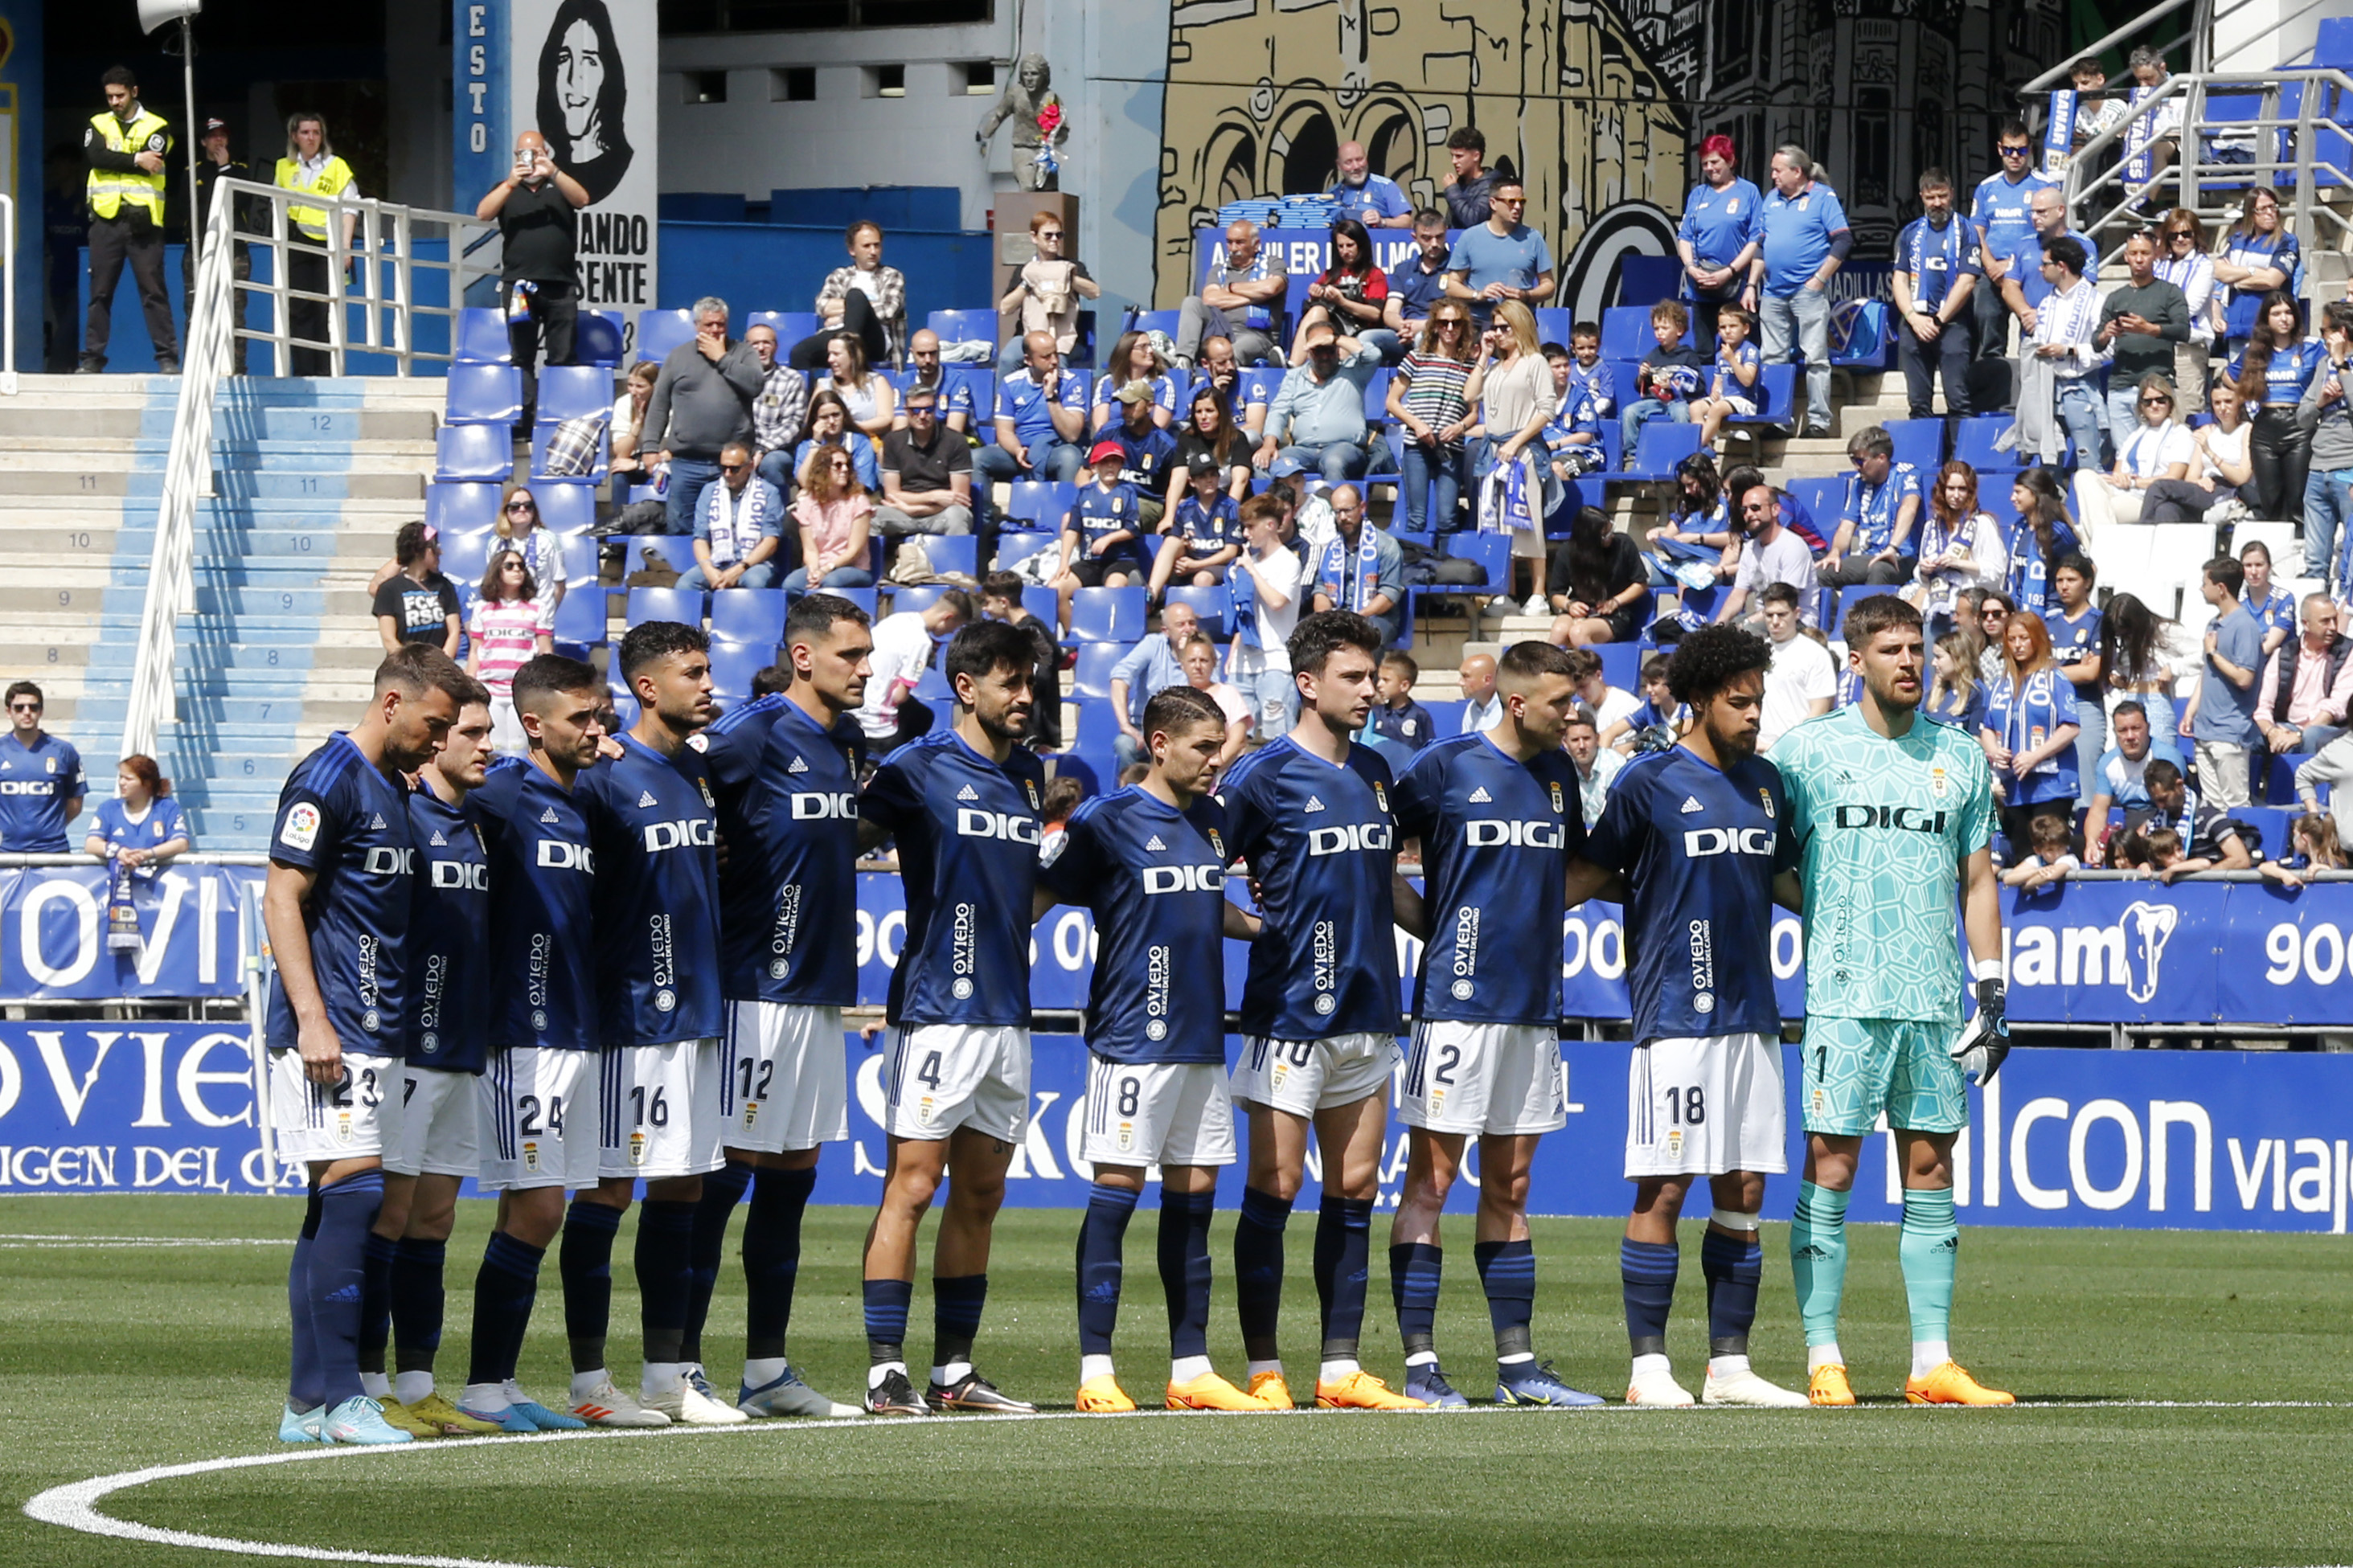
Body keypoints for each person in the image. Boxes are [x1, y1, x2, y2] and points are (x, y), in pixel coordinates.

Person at [1560, 624, 1814, 1407]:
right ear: (1699, 701)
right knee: (1664, 1187)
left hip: (1753, 1016)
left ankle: (1728, 1368)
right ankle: (1646, 1370)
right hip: (1676, 1012)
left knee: (1741, 1186)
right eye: (1739, 702)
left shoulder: (1767, 783)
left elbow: (1783, 884)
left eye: (1758, 701)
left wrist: (1854, 917)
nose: (1752, 715)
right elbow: (1591, 873)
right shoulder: (1648, 782)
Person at [1773, 594, 2011, 1407]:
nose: (1909, 661)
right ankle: (1821, 1354)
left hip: (1931, 997)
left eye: (1916, 648)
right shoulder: (1804, 753)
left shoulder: (1960, 756)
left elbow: (1977, 880)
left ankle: (1930, 1362)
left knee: (1929, 1165)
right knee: (1830, 1163)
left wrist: (1990, 987)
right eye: (1891, 649)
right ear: (1856, 661)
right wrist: (1822, 906)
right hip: (1841, 992)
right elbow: (1766, 862)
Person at [1212, 611, 1425, 1411]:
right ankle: (1264, 1367)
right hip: (1289, 1012)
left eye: (1372, 678)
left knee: (1356, 1187)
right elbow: (1198, 871)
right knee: (1275, 1183)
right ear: (1306, 683)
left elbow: (1388, 883)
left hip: (1371, 1009)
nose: (1369, 690)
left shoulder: (1374, 770)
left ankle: (1339, 1369)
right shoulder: (1261, 776)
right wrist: (1255, 924)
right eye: (1353, 678)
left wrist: (1436, 934)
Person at [1039, 685, 1273, 1413]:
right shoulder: (1106, 820)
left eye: (1219, 745)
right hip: (1130, 1039)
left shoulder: (1213, 820)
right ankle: (1094, 1371)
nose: (1217, 760)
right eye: (1204, 748)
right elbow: (1037, 897)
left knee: (1196, 1198)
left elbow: (1202, 899)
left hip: (1203, 1038)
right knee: (1116, 1193)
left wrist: (1263, 927)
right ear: (1158, 743)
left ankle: (1190, 1368)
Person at [1376, 640, 1597, 1408]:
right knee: (1430, 1182)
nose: (1573, 715)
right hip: (1455, 1012)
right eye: (1560, 702)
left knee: (1512, 1185)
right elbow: (1374, 856)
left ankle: (1518, 1370)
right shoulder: (1442, 767)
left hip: (1534, 1010)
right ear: (1515, 702)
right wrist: (1431, 930)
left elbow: (1571, 870)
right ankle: (1419, 1366)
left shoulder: (1558, 775)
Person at [263, 643, 467, 1445]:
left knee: (337, 1200)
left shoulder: (391, 785)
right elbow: (282, 895)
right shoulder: (327, 777)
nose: (438, 738)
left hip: (377, 1023)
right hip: (333, 1023)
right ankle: (345, 1398)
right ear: (392, 705)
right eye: (433, 723)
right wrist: (312, 1018)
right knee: (353, 1190)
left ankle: (308, 1402)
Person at [855, 620, 1052, 1416]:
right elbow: (842, 838)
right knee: (913, 1182)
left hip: (1009, 1014)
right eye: (1009, 682)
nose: (1024, 696)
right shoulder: (915, 768)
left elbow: (1022, 894)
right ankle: (883, 1372)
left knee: (981, 1193)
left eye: (1029, 682)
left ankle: (953, 1372)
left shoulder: (1032, 777)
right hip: (937, 1007)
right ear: (965, 686)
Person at [687, 593, 874, 1420]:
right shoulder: (754, 731)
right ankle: (678, 1364)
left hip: (820, 993)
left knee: (793, 1180)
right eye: (851, 655)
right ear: (804, 656)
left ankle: (765, 1369)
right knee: (722, 1179)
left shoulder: (842, 741)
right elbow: (663, 775)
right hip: (753, 989)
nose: (865, 668)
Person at [568, 623, 737, 1427]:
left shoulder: (698, 769)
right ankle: (588, 1383)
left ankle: (667, 1377)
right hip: (627, 1019)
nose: (708, 685)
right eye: (692, 672)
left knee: (685, 1186)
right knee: (607, 1189)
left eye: (708, 669)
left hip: (696, 1018)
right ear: (645, 686)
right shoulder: (600, 777)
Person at [452, 654, 607, 1434]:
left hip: (577, 1031)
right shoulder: (505, 792)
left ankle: (503, 1381)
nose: (595, 728)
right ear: (535, 721)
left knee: (544, 1209)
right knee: (536, 1207)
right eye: (580, 717)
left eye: (599, 714)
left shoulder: (579, 803)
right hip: (522, 1032)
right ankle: (482, 1384)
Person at [368, 690, 502, 1439]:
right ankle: (366, 1380)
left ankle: (418, 1383)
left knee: (436, 1217)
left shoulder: (482, 820)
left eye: (487, 732)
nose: (482, 744)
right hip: (410, 1048)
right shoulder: (404, 815)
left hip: (463, 1046)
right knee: (387, 1213)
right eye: (469, 732)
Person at [477, 129, 588, 423]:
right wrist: (512, 182)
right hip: (519, 287)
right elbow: (483, 214)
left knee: (562, 356)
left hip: (560, 286)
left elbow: (582, 199)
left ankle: (558, 415)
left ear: (546, 153)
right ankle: (524, 417)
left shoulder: (559, 185)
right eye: (522, 154)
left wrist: (552, 171)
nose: (528, 159)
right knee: (522, 355)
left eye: (535, 153)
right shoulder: (506, 188)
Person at [81, 67, 178, 375]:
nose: (114, 101)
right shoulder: (98, 123)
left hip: (144, 223)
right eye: (109, 96)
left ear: (134, 92)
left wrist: (126, 159)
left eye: (120, 95)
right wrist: (136, 158)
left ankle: (167, 358)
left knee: (154, 292)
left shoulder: (157, 125)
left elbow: (154, 163)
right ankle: (92, 359)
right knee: (99, 293)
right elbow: (97, 158)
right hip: (106, 219)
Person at [1747, 145, 1850, 438]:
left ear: (1797, 172)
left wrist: (1819, 278)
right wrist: (1752, 284)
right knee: (1773, 357)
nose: (1773, 175)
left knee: (1815, 357)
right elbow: (1762, 246)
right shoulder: (1771, 199)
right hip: (1773, 292)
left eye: (1778, 170)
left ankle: (1819, 422)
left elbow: (1843, 240)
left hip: (1808, 292)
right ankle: (1778, 420)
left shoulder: (1822, 197)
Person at [643, 297, 764, 537]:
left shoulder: (743, 353)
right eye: (709, 325)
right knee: (681, 528)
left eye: (720, 324)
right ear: (697, 326)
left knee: (733, 530)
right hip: (687, 462)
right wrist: (649, 447)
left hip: (731, 464)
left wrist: (722, 358)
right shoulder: (678, 357)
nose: (715, 330)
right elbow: (659, 404)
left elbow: (756, 385)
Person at [1475, 301, 1561, 612]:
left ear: (1519, 326)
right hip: (1496, 450)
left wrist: (1518, 442)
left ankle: (1538, 592)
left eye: (1504, 327)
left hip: (1522, 449)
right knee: (1499, 523)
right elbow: (1469, 395)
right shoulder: (1496, 367)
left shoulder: (1534, 361)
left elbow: (1546, 409)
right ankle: (1506, 592)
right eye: (1494, 327)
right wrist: (1484, 356)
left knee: (1528, 521)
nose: (1497, 334)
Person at [1982, 608, 2081, 858]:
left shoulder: (2056, 679)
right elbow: (1988, 728)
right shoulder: (2000, 684)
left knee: (2049, 854)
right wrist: (1993, 751)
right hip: (2015, 786)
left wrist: (2035, 756)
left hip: (2052, 784)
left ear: (2037, 639)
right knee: (2023, 856)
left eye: (2024, 638)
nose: (2017, 645)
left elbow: (2070, 726)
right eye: (2012, 639)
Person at [1388, 301, 1483, 535]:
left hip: (1451, 446)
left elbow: (1473, 414)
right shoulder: (1417, 358)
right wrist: (1416, 424)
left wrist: (1459, 427)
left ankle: (1444, 568)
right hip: (1417, 444)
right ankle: (1415, 568)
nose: (1450, 328)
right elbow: (1392, 401)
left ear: (1463, 327)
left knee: (1447, 518)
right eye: (1443, 323)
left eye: (1456, 323)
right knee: (1417, 517)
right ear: (1435, 327)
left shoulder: (1470, 366)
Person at [273, 112, 358, 377]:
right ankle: (302, 371)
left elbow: (351, 208)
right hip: (296, 242)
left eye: (316, 133)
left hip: (327, 246)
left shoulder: (336, 165)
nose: (311, 138)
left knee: (324, 308)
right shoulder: (283, 167)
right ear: (294, 136)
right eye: (306, 133)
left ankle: (324, 371)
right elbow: (275, 204)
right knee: (298, 308)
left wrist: (345, 247)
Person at [1892, 168, 1980, 420]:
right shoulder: (1910, 233)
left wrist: (1939, 319)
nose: (1937, 203)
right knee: (1918, 402)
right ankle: (1925, 457)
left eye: (1942, 196)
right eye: (1931, 198)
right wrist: (1912, 317)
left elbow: (1966, 282)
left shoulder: (1966, 230)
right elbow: (1899, 278)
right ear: (1922, 197)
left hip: (1952, 323)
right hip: (1915, 323)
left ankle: (1961, 458)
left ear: (1951, 194)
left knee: (1958, 397)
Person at [977, 333, 1090, 522]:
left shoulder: (1071, 382)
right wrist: (1017, 449)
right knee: (977, 458)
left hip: (1056, 448)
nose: (1054, 361)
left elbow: (1072, 434)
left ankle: (1066, 523)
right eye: (1046, 357)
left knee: (1070, 457)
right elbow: (1004, 431)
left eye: (1055, 354)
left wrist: (1051, 396)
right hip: (1019, 450)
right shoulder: (1011, 384)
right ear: (1028, 360)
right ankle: (987, 522)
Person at [1970, 119, 2056, 366]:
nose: (2015, 156)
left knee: (2033, 330)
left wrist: (2010, 264)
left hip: (2030, 269)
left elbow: (2051, 231)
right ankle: (1992, 387)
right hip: (1992, 271)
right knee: (1986, 320)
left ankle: (2033, 384)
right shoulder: (1987, 187)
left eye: (2021, 150)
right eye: (2009, 150)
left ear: (2030, 150)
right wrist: (1989, 264)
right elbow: (1976, 230)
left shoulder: (2045, 185)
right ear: (2000, 149)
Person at [2229, 290, 2318, 526]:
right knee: (2270, 498)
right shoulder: (2254, 351)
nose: (2284, 318)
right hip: (2265, 426)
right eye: (2276, 313)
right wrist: (2247, 395)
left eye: (2288, 312)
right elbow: (2229, 377)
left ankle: (2301, 546)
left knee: (2297, 496)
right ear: (2266, 319)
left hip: (2299, 424)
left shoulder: (2311, 347)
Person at [2183, 555, 2265, 809]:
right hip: (2205, 730)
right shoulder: (2213, 623)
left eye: (2205, 583)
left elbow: (2244, 678)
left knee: (2236, 806)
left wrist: (2213, 654)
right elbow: (2208, 673)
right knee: (2211, 808)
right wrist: (2190, 711)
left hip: (2230, 734)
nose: (2201, 588)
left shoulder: (2245, 627)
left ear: (2221, 588)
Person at [1257, 325, 1388, 483]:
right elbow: (1278, 412)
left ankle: (1335, 507)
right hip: (1304, 450)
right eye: (1319, 351)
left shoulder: (1354, 371)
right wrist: (1269, 445)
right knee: (1263, 463)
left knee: (1334, 461)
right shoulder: (1294, 378)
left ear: (1338, 349)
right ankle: (1275, 507)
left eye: (1330, 350)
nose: (1325, 356)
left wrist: (1336, 339)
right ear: (1309, 351)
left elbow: (1373, 355)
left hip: (1344, 448)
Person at [2023, 237, 2107, 473]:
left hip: (2081, 389)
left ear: (2061, 266)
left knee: (2088, 461)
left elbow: (2108, 350)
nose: (2041, 269)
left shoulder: (2095, 301)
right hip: (2048, 388)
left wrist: (2069, 350)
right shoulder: (2047, 302)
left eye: (2045, 263)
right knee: (2048, 465)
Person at [2095, 230, 2190, 438]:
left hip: (2158, 385)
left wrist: (2149, 328)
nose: (2139, 259)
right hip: (2121, 386)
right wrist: (2107, 333)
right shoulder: (2115, 298)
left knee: (2162, 448)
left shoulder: (2170, 292)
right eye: (2134, 253)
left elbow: (2183, 331)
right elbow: (2096, 343)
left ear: (2155, 255)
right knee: (2125, 453)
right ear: (2126, 257)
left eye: (2145, 253)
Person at [1225, 495, 1303, 742]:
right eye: (1244, 527)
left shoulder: (1288, 562)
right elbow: (1246, 613)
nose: (1246, 534)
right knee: (1232, 737)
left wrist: (1251, 570)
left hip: (1275, 662)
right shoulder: (1250, 561)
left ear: (1270, 525)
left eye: (1251, 527)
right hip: (1244, 661)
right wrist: (1232, 653)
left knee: (1276, 736)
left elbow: (1277, 602)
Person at [2072, 372, 2192, 532]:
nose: (2154, 406)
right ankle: (2100, 543)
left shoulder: (2181, 433)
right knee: (2084, 475)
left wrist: (2135, 483)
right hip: (2123, 490)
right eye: (2148, 402)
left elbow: (2172, 478)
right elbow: (2118, 473)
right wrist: (2118, 479)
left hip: (2148, 497)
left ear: (2170, 403)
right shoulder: (2135, 436)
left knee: (2097, 512)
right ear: (2141, 406)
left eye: (2161, 400)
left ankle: (2098, 546)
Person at [854, 591, 974, 751]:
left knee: (922, 714)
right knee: (922, 720)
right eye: (955, 627)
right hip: (876, 728)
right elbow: (899, 696)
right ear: (948, 618)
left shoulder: (896, 619)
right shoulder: (921, 642)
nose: (952, 633)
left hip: (854, 708)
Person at [1677, 133, 1765, 352]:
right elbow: (1685, 237)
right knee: (1705, 352)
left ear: (1731, 161)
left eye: (1715, 162)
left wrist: (1730, 271)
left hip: (1736, 287)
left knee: (1742, 352)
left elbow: (1756, 239)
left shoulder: (1749, 192)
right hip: (1702, 286)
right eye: (1705, 163)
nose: (1709, 167)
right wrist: (1691, 268)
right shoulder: (1698, 194)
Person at [187, 117, 259, 375]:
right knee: (196, 310)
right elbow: (194, 205)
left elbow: (239, 202)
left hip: (234, 250)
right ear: (203, 141)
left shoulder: (239, 170)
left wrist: (224, 167)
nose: (219, 140)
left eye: (223, 136)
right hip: (199, 250)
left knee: (235, 311)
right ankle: (198, 368)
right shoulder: (192, 171)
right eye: (213, 136)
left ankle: (237, 367)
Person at [1053, 440, 1150, 625]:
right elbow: (1073, 529)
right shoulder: (1084, 493)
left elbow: (1133, 528)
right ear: (1095, 466)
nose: (1110, 466)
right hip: (1090, 561)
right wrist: (1064, 563)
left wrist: (1108, 539)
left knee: (1112, 589)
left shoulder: (1127, 492)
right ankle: (1076, 636)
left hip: (1121, 560)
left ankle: (1112, 635)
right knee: (1056, 589)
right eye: (1105, 462)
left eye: (1115, 461)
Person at [1911, 462, 2009, 641]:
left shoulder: (1982, 524)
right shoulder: (1931, 526)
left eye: (1962, 489)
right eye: (1951, 489)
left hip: (1970, 613)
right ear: (1942, 490)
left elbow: (1996, 571)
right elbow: (1921, 576)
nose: (1956, 495)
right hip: (1935, 609)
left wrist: (1957, 563)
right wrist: (1924, 569)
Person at [2143, 371, 2254, 527]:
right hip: (2205, 490)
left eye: (2228, 402)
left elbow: (2242, 477)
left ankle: (2142, 538)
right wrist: (2201, 481)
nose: (2222, 408)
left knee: (2159, 487)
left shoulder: (2247, 430)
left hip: (2230, 491)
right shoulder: (2207, 431)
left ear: (2239, 401)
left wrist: (2210, 453)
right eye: (2217, 403)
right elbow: (2191, 479)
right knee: (2166, 509)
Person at [996, 210, 1100, 377]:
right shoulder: (1025, 270)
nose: (1054, 240)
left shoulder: (1073, 266)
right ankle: (1002, 402)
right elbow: (1005, 308)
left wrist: (1068, 278)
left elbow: (1094, 292)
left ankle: (1060, 400)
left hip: (1065, 338)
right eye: (1048, 235)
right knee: (1008, 359)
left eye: (1059, 235)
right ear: (1034, 237)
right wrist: (1028, 284)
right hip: (1028, 336)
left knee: (1058, 362)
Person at [468, 551, 553, 754]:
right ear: (497, 571)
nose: (517, 570)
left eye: (521, 566)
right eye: (510, 566)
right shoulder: (483, 608)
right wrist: (470, 684)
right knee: (494, 749)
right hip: (490, 688)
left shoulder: (536, 607)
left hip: (521, 689)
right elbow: (475, 649)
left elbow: (545, 649)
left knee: (518, 748)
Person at [793, 220, 906, 371]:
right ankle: (814, 394)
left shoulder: (892, 276)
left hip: (875, 340)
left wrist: (849, 310)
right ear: (852, 250)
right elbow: (822, 305)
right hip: (838, 333)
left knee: (855, 295)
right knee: (799, 353)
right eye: (866, 246)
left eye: (877, 245)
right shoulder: (840, 275)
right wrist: (855, 310)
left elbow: (887, 311)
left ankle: (847, 351)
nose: (873, 251)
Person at [1443, 176, 1555, 329]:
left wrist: (1526, 295)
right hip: (1478, 322)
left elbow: (1548, 285)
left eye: (1521, 202)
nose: (1517, 207)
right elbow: (1452, 285)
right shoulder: (1470, 237)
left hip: (1519, 322)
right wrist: (1479, 295)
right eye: (1511, 201)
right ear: (1493, 203)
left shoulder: (1533, 238)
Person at [2081, 700, 2184, 864]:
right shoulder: (2107, 763)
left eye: (2136, 728)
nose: (2130, 737)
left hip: (2166, 822)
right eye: (2123, 730)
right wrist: (2092, 843)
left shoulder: (2167, 757)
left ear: (2148, 728)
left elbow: (2176, 804)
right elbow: (2098, 811)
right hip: (2131, 823)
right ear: (2115, 732)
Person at [674, 442, 785, 592]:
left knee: (755, 582)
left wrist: (741, 568)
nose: (727, 474)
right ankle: (720, 608)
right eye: (723, 468)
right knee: (685, 586)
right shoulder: (709, 491)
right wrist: (708, 569)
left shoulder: (768, 492)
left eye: (734, 469)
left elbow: (770, 541)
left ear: (750, 466)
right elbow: (700, 537)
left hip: (753, 564)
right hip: (717, 562)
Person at [1175, 220, 1286, 368]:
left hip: (1256, 335)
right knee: (1192, 302)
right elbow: (1209, 299)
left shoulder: (1273, 264)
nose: (1233, 248)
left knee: (1228, 355)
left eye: (1240, 242)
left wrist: (1231, 288)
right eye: (1229, 242)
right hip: (1219, 329)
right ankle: (1184, 361)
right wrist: (1255, 297)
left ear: (1256, 244)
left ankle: (1220, 389)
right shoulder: (1219, 269)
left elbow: (1270, 289)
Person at [1714, 472, 1819, 628]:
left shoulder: (1792, 546)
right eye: (1745, 510)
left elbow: (1784, 602)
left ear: (1775, 510)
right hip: (1763, 618)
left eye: (1755, 508)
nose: (1749, 514)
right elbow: (1738, 595)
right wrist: (1719, 624)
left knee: (1743, 636)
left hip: (1794, 621)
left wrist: (1745, 624)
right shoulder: (1750, 549)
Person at [1107, 601, 1203, 772]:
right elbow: (1119, 677)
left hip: (1184, 730)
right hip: (1145, 727)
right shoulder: (1153, 644)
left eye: (1192, 623)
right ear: (1166, 630)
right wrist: (1125, 725)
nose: (1188, 629)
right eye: (1181, 625)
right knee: (1124, 744)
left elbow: (1208, 692)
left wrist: (1185, 659)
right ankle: (1131, 794)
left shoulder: (1204, 652)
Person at [1821, 426, 1922, 587]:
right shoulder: (1859, 484)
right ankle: (1842, 611)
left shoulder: (1908, 474)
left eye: (1860, 461)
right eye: (1853, 461)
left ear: (1881, 458)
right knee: (1822, 572)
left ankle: (1872, 613)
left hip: (1903, 556)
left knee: (1879, 570)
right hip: (1868, 555)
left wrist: (1892, 547)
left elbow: (1909, 508)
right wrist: (1835, 552)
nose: (1856, 467)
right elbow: (1846, 527)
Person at [1308, 485, 1407, 646]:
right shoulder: (1331, 548)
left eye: (1348, 510)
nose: (1343, 517)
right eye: (1338, 512)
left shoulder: (1386, 545)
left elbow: (1389, 594)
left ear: (1362, 508)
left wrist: (1355, 619)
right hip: (1338, 616)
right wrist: (1327, 618)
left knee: (1362, 638)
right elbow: (1321, 589)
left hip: (1376, 617)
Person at [874, 385, 972, 544]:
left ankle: (956, 569)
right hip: (902, 513)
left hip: (941, 513)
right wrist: (933, 497)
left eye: (928, 409)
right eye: (915, 410)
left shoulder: (956, 441)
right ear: (906, 411)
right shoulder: (893, 441)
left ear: (936, 410)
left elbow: (960, 499)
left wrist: (915, 508)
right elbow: (891, 495)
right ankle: (867, 569)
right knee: (870, 516)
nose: (922, 415)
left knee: (959, 515)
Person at [2299, 303, 2353, 591]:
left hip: (2349, 468)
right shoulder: (2323, 366)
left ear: (2341, 333)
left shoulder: (2339, 364)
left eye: (2324, 330)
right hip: (2318, 468)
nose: (2320, 336)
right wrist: (2321, 401)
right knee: (2314, 562)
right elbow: (2302, 417)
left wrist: (2342, 365)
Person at [2259, 594, 2352, 759]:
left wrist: (2299, 735)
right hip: (2289, 726)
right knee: (2251, 736)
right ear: (2305, 624)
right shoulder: (2284, 654)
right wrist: (2271, 731)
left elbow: (2336, 706)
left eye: (2334, 620)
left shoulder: (2348, 652)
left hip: (2333, 728)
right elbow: (2263, 705)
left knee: (2312, 736)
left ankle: (2309, 782)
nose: (2332, 627)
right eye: (2325, 621)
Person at [979, 571, 1063, 751]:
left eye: (987, 602)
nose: (984, 609)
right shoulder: (1019, 630)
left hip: (1034, 724)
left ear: (1003, 602)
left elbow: (1042, 676)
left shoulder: (1031, 631)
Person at [2213, 186, 2299, 358]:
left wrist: (2235, 282)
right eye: (2263, 209)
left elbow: (2272, 280)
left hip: (2268, 331)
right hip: (2237, 329)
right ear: (2251, 214)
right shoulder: (2237, 240)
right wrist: (2253, 271)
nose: (2270, 213)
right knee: (2239, 382)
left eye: (2273, 207)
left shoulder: (2286, 241)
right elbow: (2218, 271)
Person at [1291, 220, 1391, 365]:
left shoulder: (1374, 275)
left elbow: (1375, 314)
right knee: (1317, 310)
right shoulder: (1331, 275)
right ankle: (1293, 366)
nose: (1345, 251)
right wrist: (1315, 296)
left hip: (1358, 332)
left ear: (1361, 245)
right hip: (1330, 329)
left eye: (1350, 245)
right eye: (1341, 246)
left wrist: (1342, 302)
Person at [1544, 505, 1646, 647]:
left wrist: (1615, 602)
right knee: (1559, 631)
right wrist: (1569, 605)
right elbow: (1556, 594)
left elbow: (1640, 583)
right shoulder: (1567, 552)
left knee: (1579, 633)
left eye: (1611, 529)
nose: (1611, 535)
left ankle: (1592, 667)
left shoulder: (1624, 544)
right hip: (1581, 609)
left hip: (1616, 612)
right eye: (1605, 535)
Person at [2044, 553, 2107, 782]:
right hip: (2050, 707)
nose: (2064, 586)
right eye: (2060, 581)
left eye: (2071, 580)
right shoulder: (2047, 623)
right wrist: (2073, 671)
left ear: (2087, 582)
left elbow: (2091, 672)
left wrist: (2048, 673)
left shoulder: (2099, 621)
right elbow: (2031, 671)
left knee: (2084, 784)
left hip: (2084, 706)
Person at [0, 682, 84, 852]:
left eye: (33, 707)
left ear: (41, 711)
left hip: (54, 851)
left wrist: (51, 828)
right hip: (9, 852)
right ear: (9, 711)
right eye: (19, 708)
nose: (27, 713)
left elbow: (75, 802)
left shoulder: (64, 751)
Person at [2138, 757, 2254, 878]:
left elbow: (2241, 860)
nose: (2160, 806)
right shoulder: (2158, 819)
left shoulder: (2209, 816)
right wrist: (2146, 864)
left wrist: (2198, 876)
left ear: (2179, 785)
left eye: (2164, 799)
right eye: (2155, 801)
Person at [1148, 453, 1242, 600]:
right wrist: (1184, 548)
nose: (1209, 480)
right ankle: (1151, 596)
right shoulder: (1185, 507)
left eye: (1213, 475)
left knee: (1202, 579)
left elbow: (1230, 552)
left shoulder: (1231, 507)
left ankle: (1202, 620)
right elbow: (1176, 540)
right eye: (1202, 476)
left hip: (1219, 565)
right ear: (1192, 482)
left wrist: (1195, 565)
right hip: (1192, 559)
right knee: (1171, 541)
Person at [1618, 301, 1703, 461]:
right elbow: (1640, 388)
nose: (1659, 333)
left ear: (1679, 330)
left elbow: (1699, 386)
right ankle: (1633, 455)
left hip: (1678, 401)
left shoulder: (1688, 356)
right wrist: (1642, 376)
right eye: (1657, 329)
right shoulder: (1653, 355)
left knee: (1681, 412)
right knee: (1629, 412)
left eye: (1664, 328)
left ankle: (1683, 452)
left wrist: (1673, 385)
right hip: (1656, 402)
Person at [1757, 583, 1835, 752]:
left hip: (1798, 751)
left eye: (1782, 614)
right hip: (1759, 749)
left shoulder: (1816, 654)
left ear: (1796, 613)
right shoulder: (1757, 652)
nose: (1775, 622)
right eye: (1769, 615)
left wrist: (1784, 748)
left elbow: (1818, 713)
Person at [784, 446, 875, 591]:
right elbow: (810, 550)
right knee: (791, 585)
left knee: (829, 583)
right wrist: (814, 571)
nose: (845, 469)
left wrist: (826, 570)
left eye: (848, 465)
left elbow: (854, 550)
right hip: (820, 566)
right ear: (823, 470)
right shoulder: (808, 503)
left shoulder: (859, 502)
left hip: (852, 567)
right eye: (838, 465)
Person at [85, 751, 190, 870]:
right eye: (121, 777)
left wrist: (147, 854)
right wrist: (117, 851)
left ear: (146, 784)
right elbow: (91, 844)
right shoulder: (108, 808)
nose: (121, 783)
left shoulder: (167, 808)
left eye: (128, 779)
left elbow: (181, 843)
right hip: (118, 883)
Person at [1379, 210, 1457, 363]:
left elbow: (1460, 312)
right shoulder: (1403, 269)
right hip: (1405, 332)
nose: (1434, 244)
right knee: (1367, 339)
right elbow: (1390, 312)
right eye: (1427, 238)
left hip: (1440, 331)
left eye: (1439, 237)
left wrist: (1421, 327)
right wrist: (1405, 327)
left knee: (1422, 337)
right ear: (1415, 237)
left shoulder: (1456, 268)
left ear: (1446, 233)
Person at [373, 523, 462, 657]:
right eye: (434, 547)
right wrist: (414, 667)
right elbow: (389, 639)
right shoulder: (389, 589)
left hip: (439, 668)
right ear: (417, 550)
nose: (440, 552)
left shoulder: (444, 585)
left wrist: (442, 664)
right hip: (404, 669)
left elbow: (454, 631)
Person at [744, 324, 809, 497]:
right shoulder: (735, 378)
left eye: (767, 343)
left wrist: (763, 449)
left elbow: (793, 425)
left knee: (771, 464)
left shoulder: (791, 379)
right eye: (755, 344)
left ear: (776, 347)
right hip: (742, 446)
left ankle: (778, 516)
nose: (761, 348)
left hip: (776, 449)